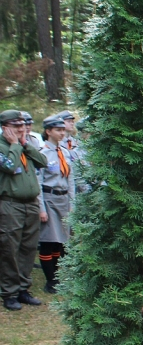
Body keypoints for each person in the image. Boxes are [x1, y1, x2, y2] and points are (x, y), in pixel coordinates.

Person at [0, 109, 47, 310]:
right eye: (16, 126)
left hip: (31, 203)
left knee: (28, 248)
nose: (21, 129)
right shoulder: (4, 147)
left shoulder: (24, 145)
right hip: (11, 204)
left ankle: (23, 289)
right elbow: (9, 166)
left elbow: (43, 162)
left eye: (23, 125)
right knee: (10, 248)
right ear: (4, 128)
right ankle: (9, 293)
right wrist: (14, 145)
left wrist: (25, 144)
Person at [36, 116, 75, 294]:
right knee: (48, 241)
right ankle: (50, 280)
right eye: (58, 130)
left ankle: (58, 277)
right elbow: (38, 182)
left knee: (60, 242)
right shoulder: (42, 154)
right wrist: (41, 208)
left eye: (62, 130)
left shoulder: (65, 152)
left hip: (63, 199)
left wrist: (72, 203)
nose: (62, 133)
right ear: (48, 131)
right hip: (49, 199)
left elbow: (71, 180)